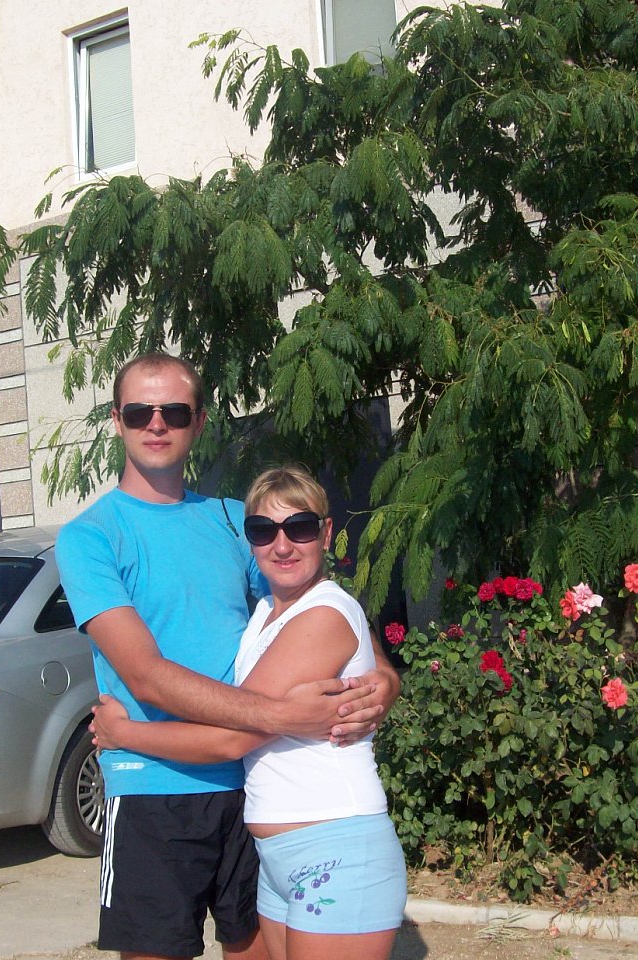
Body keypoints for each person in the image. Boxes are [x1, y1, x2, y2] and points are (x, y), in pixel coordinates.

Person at [54, 352, 398, 960]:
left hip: (248, 788)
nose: (156, 423)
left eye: (174, 411)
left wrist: (385, 676)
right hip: (151, 789)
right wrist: (282, 717)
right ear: (116, 420)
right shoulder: (90, 536)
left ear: (199, 422)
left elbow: (313, 604)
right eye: (139, 412)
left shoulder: (237, 521)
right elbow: (147, 677)